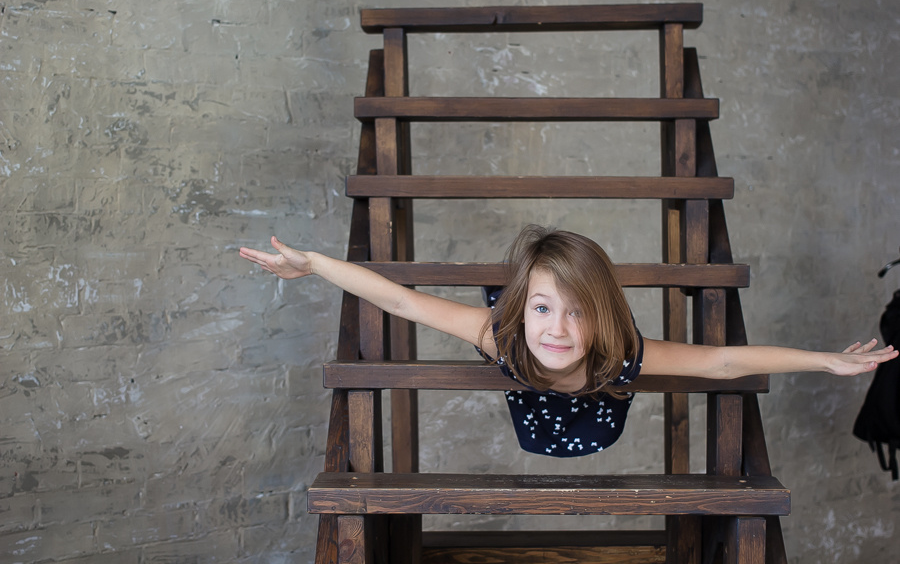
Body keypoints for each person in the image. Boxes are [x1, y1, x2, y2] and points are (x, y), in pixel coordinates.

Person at [239, 225, 898, 457]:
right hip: (531, 404)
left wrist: (822, 359)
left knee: (591, 342)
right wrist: (316, 264)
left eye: (576, 313)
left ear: (601, 320)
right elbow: (400, 300)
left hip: (596, 416)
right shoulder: (504, 337)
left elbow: (724, 360)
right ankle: (550, 292)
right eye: (545, 308)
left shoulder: (624, 353)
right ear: (525, 311)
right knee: (525, 328)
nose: (558, 329)